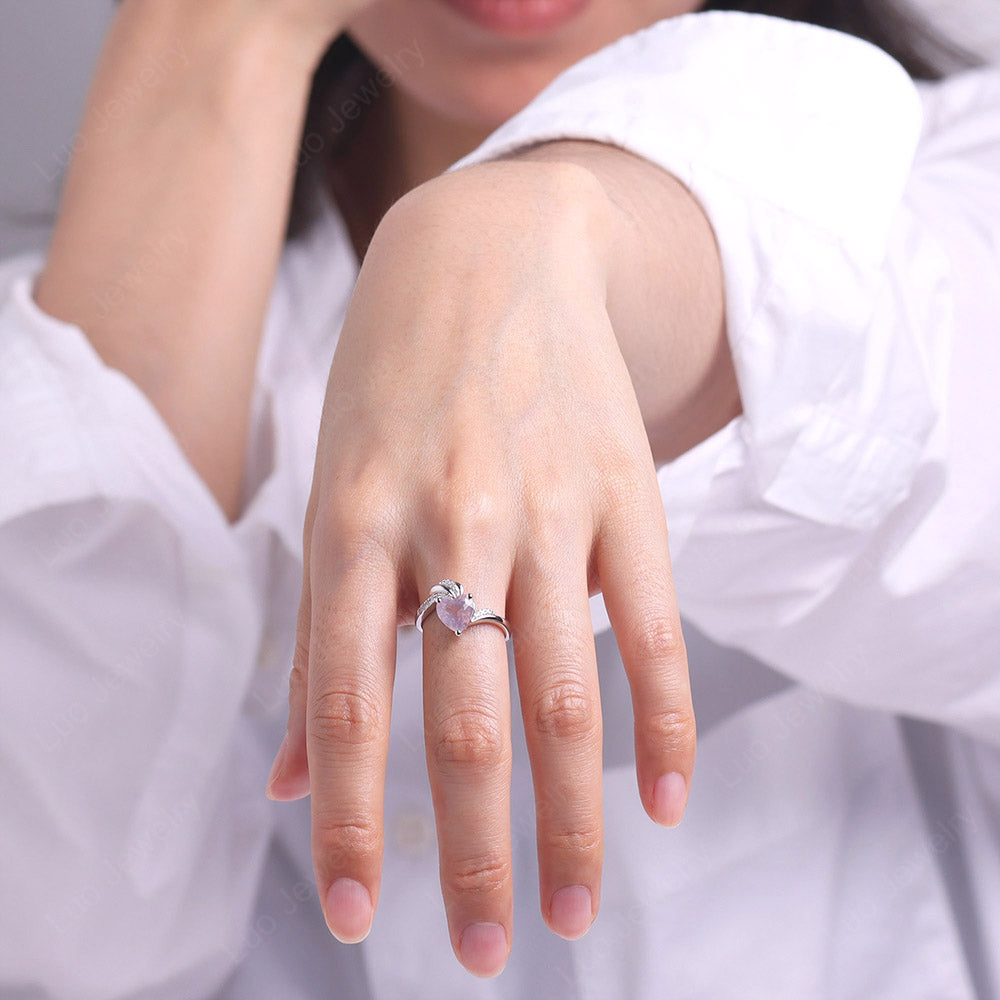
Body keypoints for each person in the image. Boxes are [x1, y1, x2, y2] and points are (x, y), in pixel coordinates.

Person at [0, 0, 997, 996]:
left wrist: (548, 228)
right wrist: (208, 34)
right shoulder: (82, 361)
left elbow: (924, 421)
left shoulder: (954, 178)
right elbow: (58, 947)